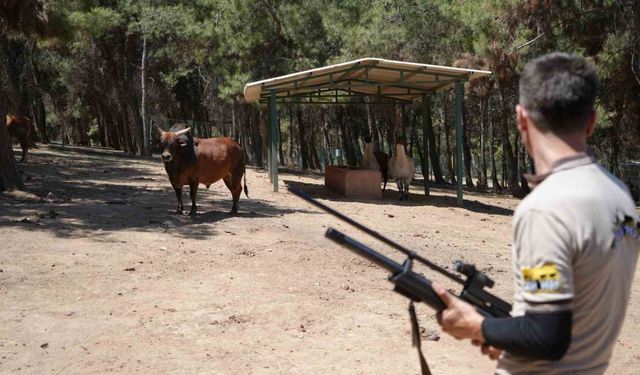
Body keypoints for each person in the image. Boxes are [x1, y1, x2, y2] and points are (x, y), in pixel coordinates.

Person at [432, 52, 639, 374]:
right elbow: (570, 312)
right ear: (592, 121)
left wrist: (475, 325)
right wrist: (508, 334)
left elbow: (546, 336)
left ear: (521, 118)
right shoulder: (619, 196)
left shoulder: (546, 208)